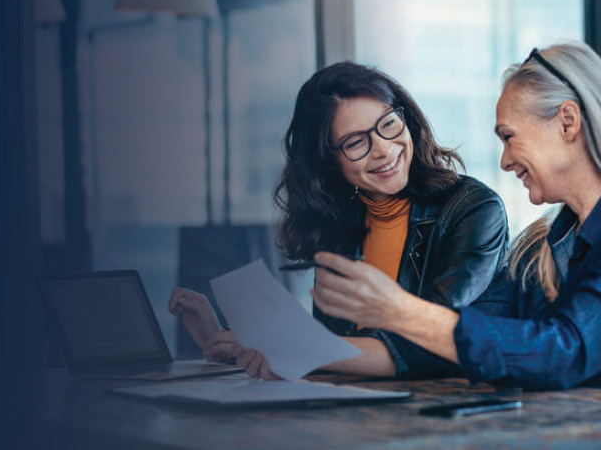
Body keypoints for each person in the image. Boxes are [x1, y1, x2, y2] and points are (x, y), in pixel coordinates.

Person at [306, 42, 601, 448]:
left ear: (567, 122)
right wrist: (293, 352)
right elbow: (467, 343)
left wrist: (399, 310)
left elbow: (563, 353)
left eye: (509, 137)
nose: (505, 161)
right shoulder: (541, 246)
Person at [169, 61, 509, 379]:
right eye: (356, 142)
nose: (383, 149)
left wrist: (293, 351)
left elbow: (430, 335)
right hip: (363, 413)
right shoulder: (338, 225)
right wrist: (239, 344)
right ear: (328, 161)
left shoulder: (473, 208)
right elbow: (335, 350)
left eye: (389, 123)